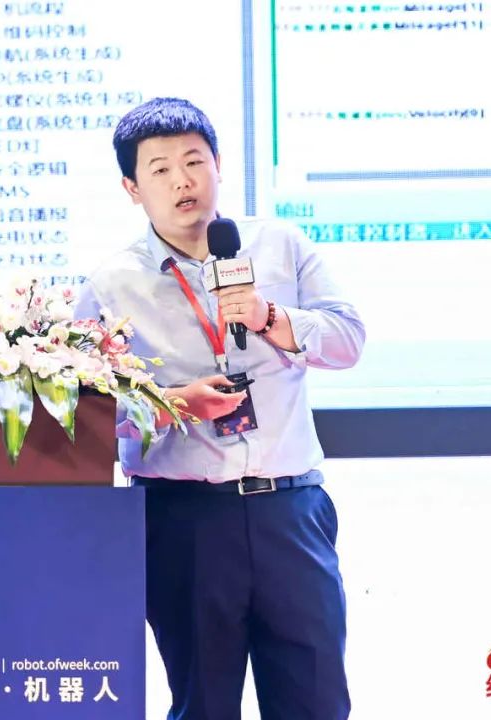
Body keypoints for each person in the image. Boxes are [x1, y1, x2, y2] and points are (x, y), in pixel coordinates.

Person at [74, 97, 364, 719]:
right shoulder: (110, 284)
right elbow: (85, 413)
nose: (183, 181)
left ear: (219, 165)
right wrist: (171, 405)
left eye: (194, 162)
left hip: (290, 508)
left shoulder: (280, 245)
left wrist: (270, 316)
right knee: (204, 704)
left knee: (316, 702)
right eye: (160, 170)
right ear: (132, 188)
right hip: (184, 519)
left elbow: (349, 341)